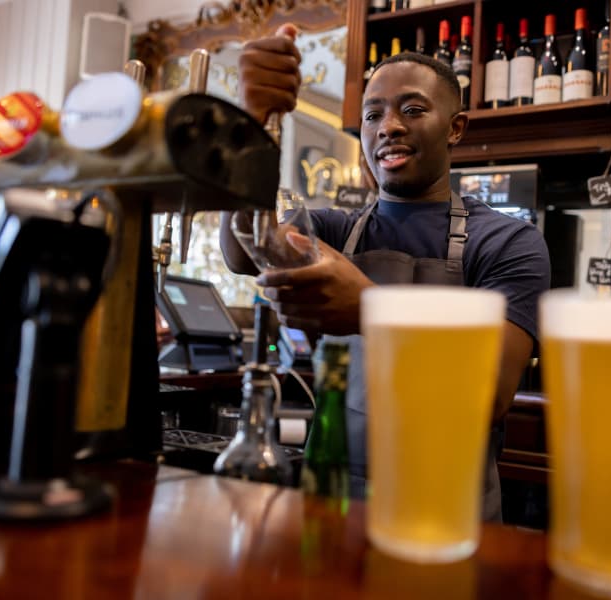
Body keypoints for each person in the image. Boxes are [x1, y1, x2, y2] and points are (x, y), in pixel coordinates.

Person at [221, 24, 550, 521]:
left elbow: (490, 393)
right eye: (373, 114)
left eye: (413, 110)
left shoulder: (506, 242)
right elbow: (243, 250)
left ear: (456, 128)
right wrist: (252, 120)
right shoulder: (334, 229)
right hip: (329, 502)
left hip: (447, 514)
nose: (388, 126)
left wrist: (372, 309)